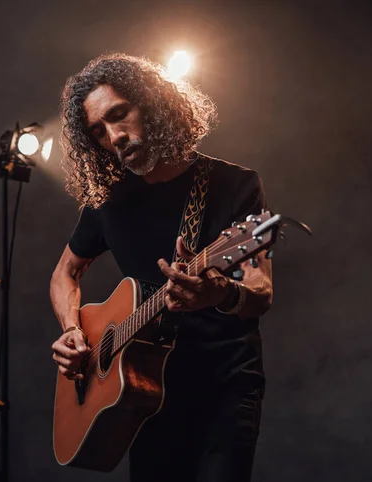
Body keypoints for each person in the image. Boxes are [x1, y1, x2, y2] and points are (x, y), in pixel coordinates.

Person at [50, 53, 273, 482]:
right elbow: (64, 273)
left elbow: (260, 292)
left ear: (152, 102)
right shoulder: (108, 204)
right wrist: (72, 330)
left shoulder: (234, 186)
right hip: (143, 392)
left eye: (120, 115)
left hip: (222, 385)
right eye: (98, 131)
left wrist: (221, 294)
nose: (114, 136)